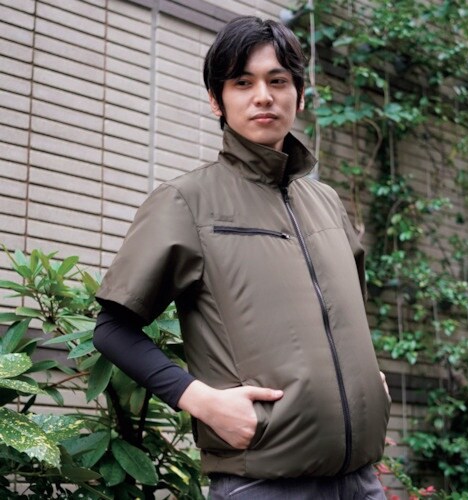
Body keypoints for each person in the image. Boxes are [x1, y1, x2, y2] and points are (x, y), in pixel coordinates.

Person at [93, 15, 391, 499]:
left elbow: (346, 313)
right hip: (261, 483)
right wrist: (201, 401)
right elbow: (112, 329)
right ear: (217, 100)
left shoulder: (327, 203)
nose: (263, 96)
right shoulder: (186, 201)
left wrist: (370, 382)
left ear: (299, 94)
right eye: (243, 82)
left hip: (360, 481)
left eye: (278, 81)